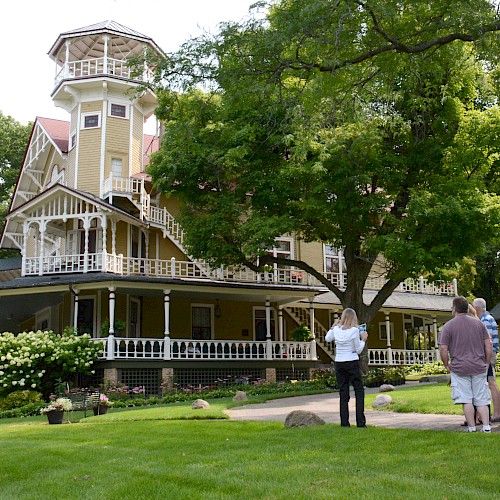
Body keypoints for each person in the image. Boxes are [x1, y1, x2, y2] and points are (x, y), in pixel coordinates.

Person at [439, 296, 492, 432]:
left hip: (459, 367)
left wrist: (446, 364)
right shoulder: (479, 324)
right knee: (481, 398)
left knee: (466, 399)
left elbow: (443, 348)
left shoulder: (448, 326)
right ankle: (486, 426)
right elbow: (488, 344)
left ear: (455, 309)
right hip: (478, 366)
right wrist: (486, 362)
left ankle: (472, 427)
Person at [325, 308, 368, 428]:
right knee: (359, 391)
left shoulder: (337, 330)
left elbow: (327, 338)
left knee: (343, 392)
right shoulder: (354, 331)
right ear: (353, 318)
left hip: (339, 362)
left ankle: (344, 423)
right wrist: (363, 339)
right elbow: (358, 349)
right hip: (352, 362)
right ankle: (360, 422)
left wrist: (333, 327)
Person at [473, 298, 500, 422]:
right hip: (489, 353)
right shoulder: (487, 319)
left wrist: (485, 359)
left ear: (477, 309)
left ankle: (496, 414)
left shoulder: (486, 321)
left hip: (487, 354)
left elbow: (487, 342)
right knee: (489, 383)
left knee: (491, 383)